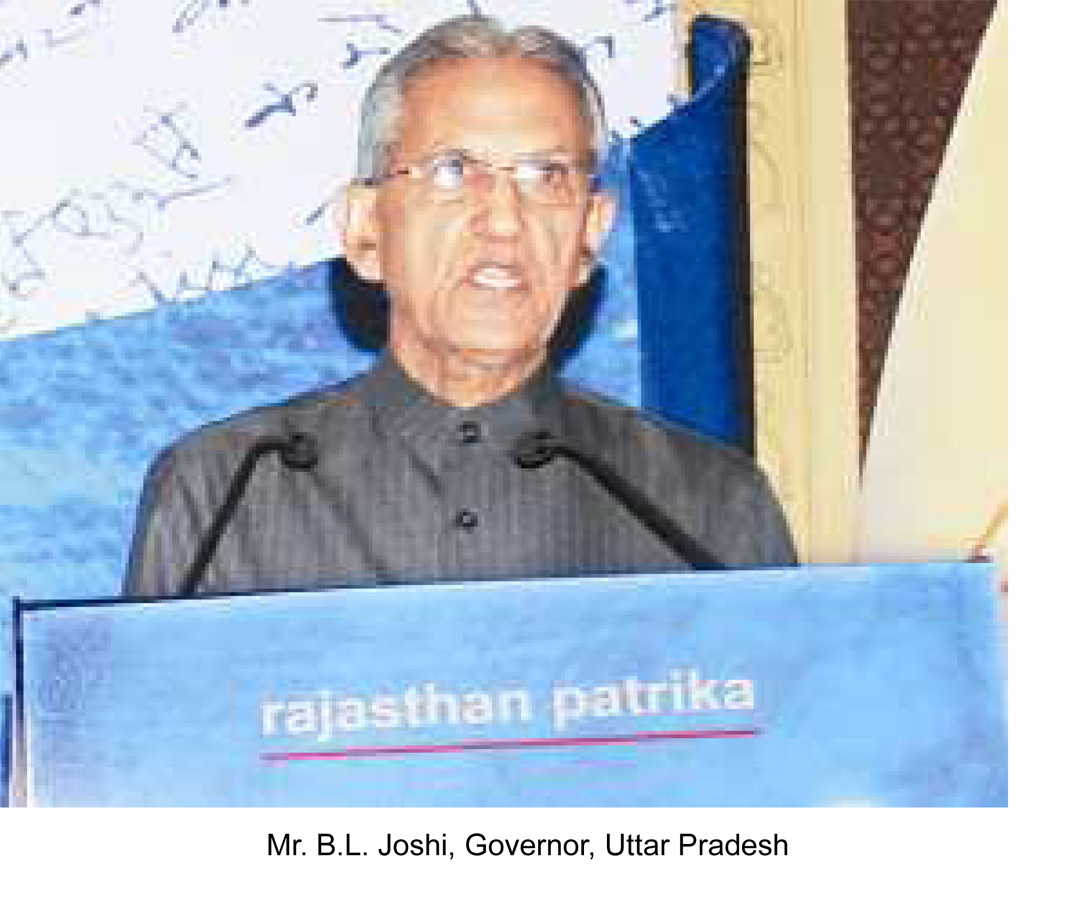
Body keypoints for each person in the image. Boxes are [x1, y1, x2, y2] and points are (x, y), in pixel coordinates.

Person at [123, 15, 795, 599]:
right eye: (453, 172)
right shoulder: (223, 491)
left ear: (590, 234)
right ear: (364, 230)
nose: (503, 220)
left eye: (546, 176)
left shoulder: (708, 508)